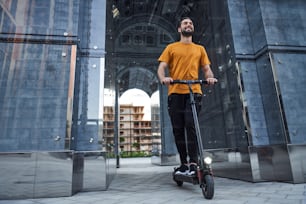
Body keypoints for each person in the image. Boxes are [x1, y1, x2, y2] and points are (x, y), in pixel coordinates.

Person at [157, 17, 217, 175]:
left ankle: (193, 162)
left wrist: (210, 77)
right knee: (178, 129)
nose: (189, 25)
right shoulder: (171, 47)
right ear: (179, 29)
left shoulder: (200, 49)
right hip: (175, 92)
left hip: (194, 92)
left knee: (191, 125)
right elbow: (161, 67)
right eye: (185, 23)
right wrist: (164, 78)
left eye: (191, 23)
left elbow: (206, 69)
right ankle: (183, 163)